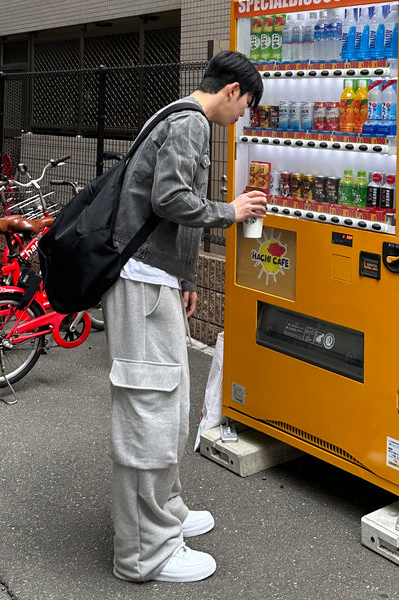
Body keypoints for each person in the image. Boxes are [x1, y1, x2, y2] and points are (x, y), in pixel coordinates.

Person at [102, 50, 267, 584]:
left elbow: (164, 208)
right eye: (247, 106)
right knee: (149, 410)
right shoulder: (192, 124)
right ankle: (144, 555)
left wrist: (188, 278)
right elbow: (172, 197)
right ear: (233, 92)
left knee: (167, 406)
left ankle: (165, 517)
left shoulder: (178, 116)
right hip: (141, 285)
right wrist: (232, 211)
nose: (242, 117)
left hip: (155, 282)